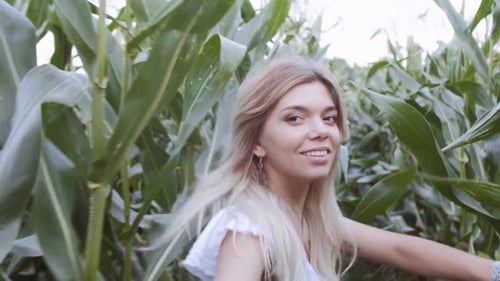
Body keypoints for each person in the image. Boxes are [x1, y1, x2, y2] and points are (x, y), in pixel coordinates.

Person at [159, 58, 499, 281]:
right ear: (257, 142)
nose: (320, 130)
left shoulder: (308, 218)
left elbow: (403, 250)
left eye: (329, 117)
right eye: (295, 118)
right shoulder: (251, 231)